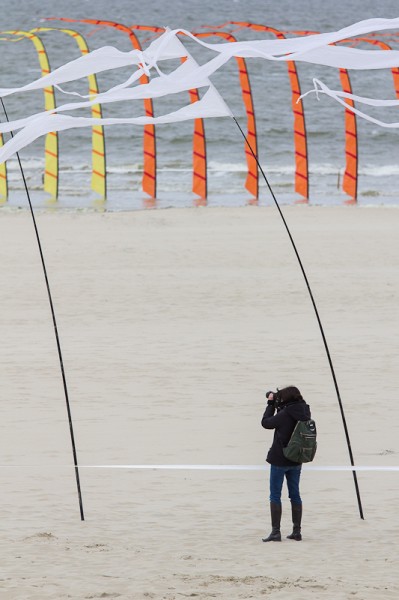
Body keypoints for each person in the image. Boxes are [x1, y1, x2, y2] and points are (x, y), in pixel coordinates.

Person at [261, 386, 311, 542]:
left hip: (280, 459)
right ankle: (297, 531)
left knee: (275, 495)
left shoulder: (285, 413)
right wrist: (279, 404)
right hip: (296, 458)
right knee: (295, 495)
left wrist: (270, 404)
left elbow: (266, 423)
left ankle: (276, 532)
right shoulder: (304, 411)